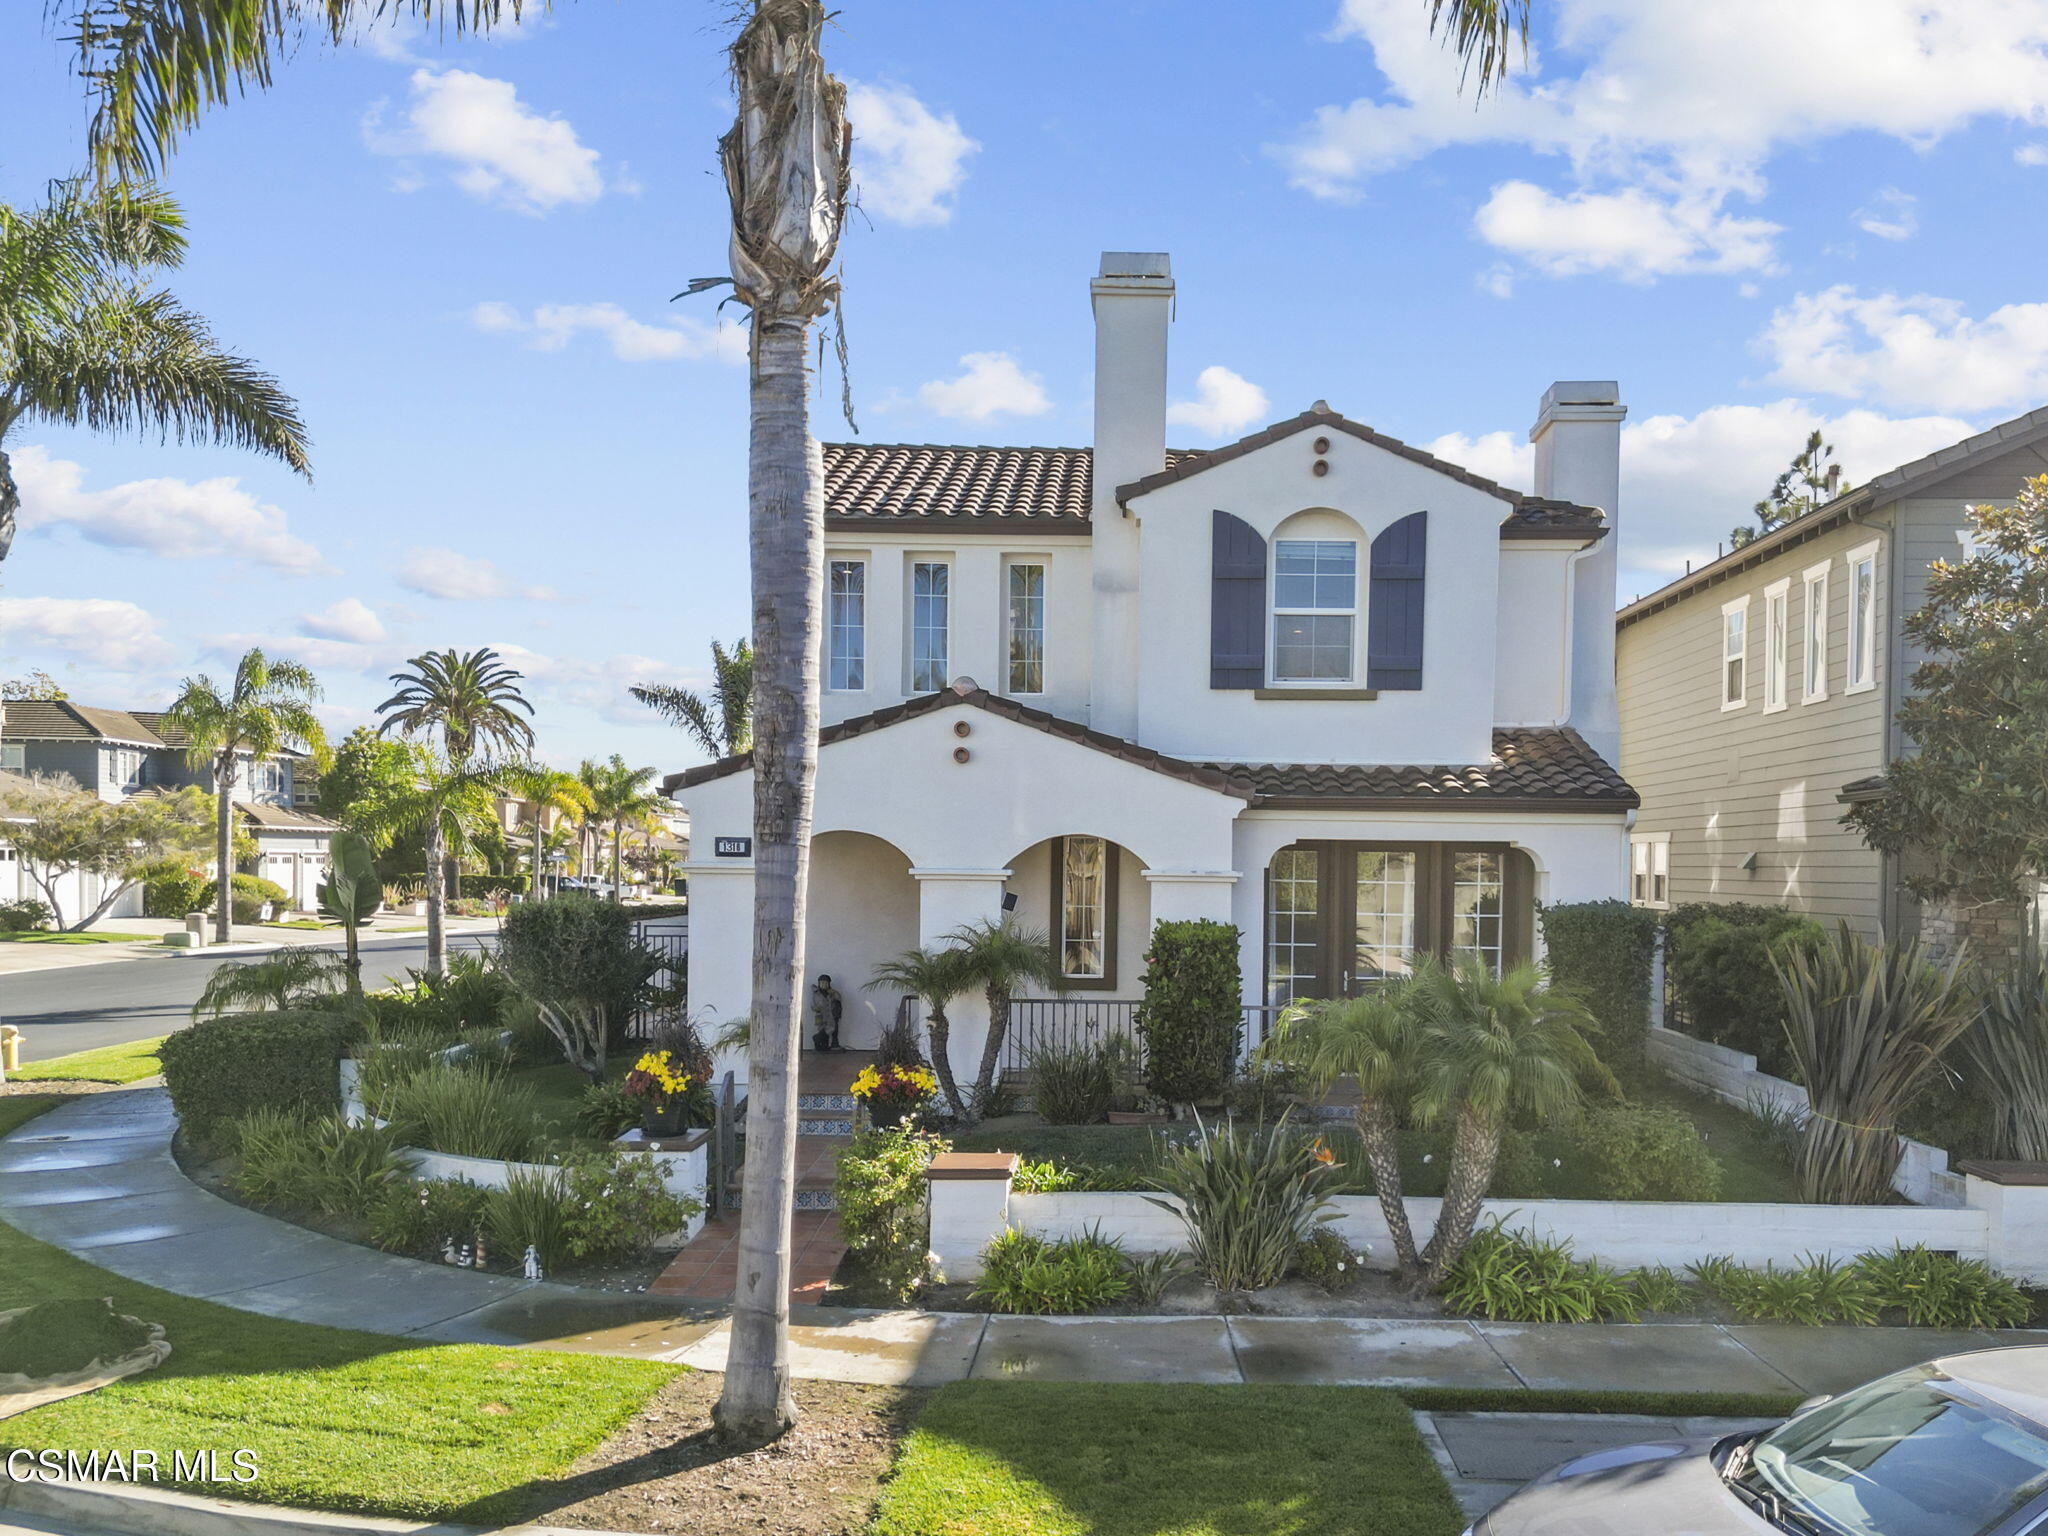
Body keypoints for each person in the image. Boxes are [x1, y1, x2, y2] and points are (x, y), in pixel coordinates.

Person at [810, 973, 844, 1053]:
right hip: (821, 1015)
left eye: (825, 983)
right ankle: (820, 1042)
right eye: (821, 983)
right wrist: (817, 1009)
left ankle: (834, 1044)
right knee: (822, 1029)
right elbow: (813, 1004)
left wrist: (834, 993)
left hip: (832, 1014)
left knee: (833, 1029)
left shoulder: (832, 992)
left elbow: (839, 999)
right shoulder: (816, 993)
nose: (823, 985)